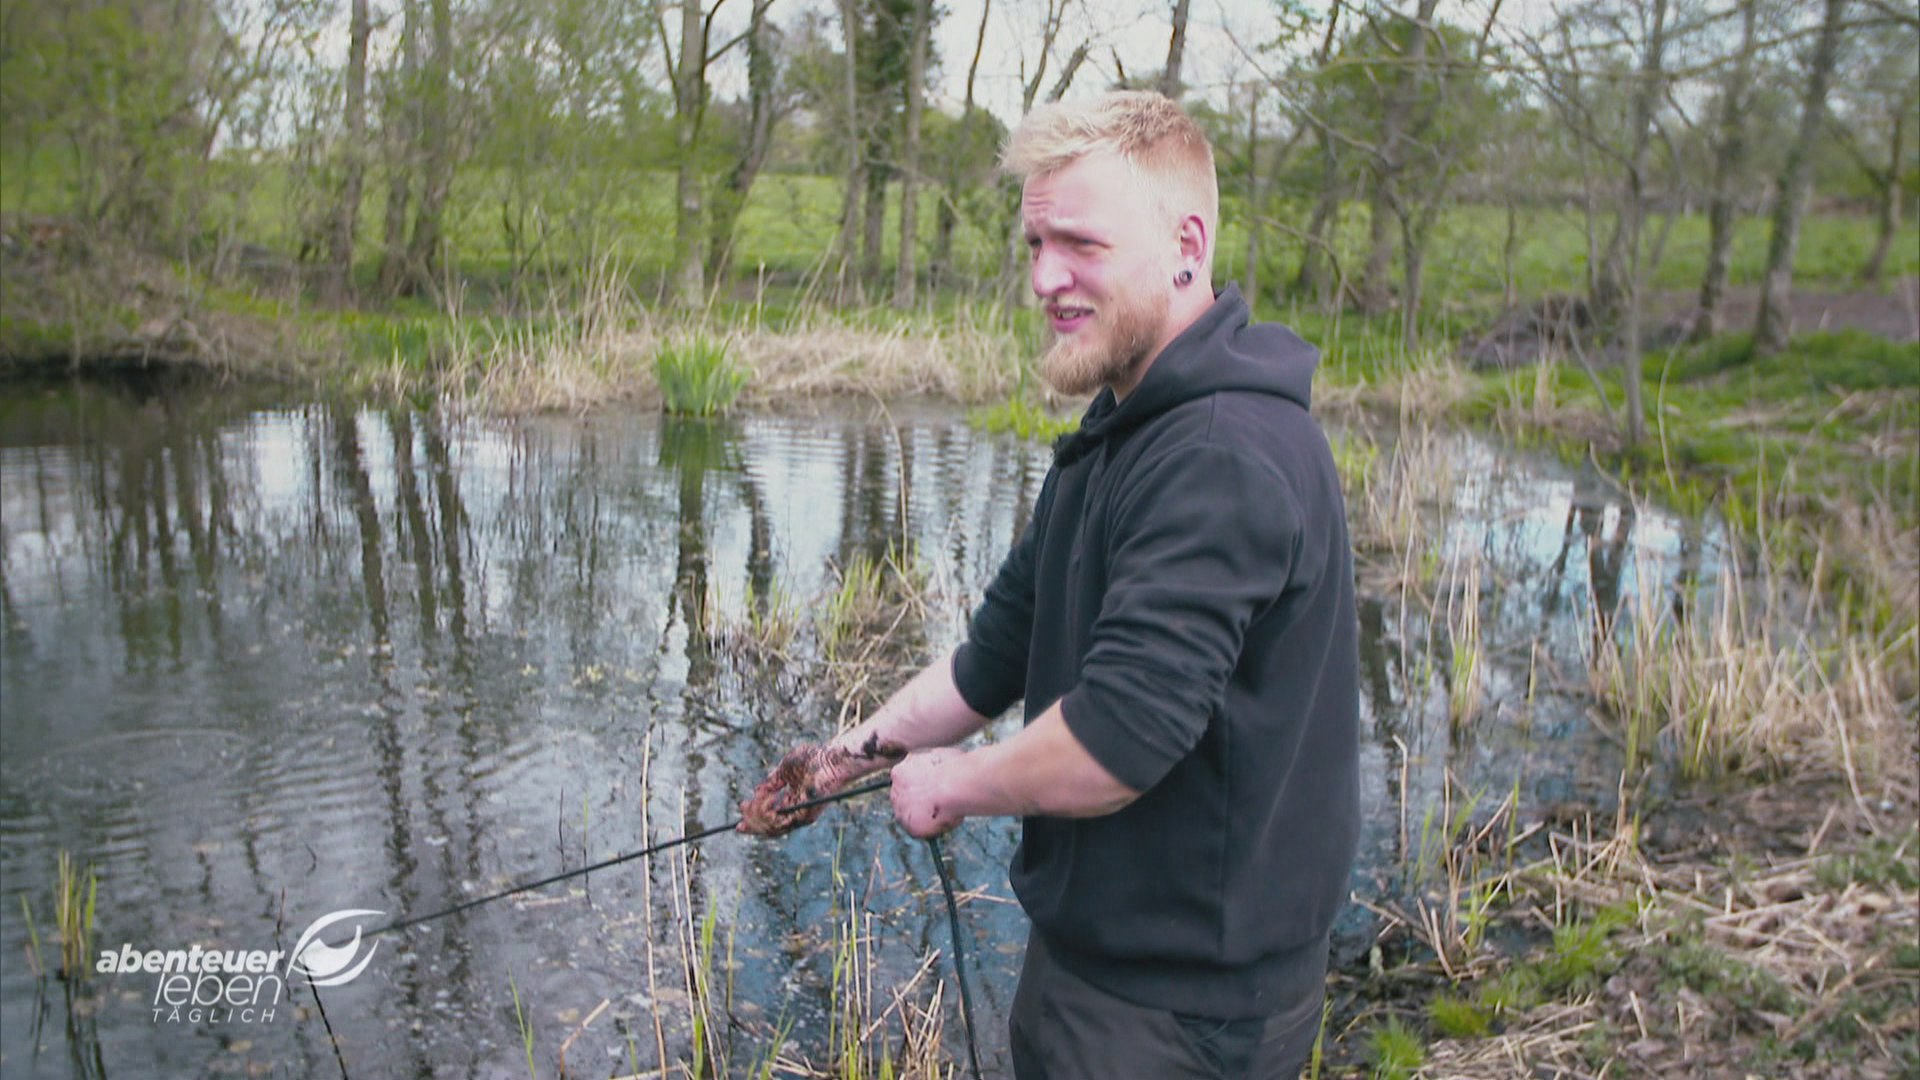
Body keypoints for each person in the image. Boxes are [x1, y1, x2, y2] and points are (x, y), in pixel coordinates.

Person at [739, 90, 1360, 1080]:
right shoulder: (1120, 436)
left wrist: (956, 785)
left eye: (1079, 243)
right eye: (1034, 243)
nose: (1044, 278)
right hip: (1103, 973)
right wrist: (839, 765)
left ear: (1185, 244)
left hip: (1184, 1016)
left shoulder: (1221, 456)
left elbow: (1117, 744)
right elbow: (992, 660)